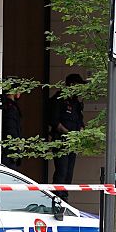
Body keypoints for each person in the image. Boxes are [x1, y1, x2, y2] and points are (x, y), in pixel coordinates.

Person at [50, 73, 86, 201]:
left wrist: (81, 131)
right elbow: (54, 122)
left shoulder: (75, 101)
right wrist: (69, 134)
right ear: (71, 85)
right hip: (60, 142)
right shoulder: (59, 99)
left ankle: (64, 199)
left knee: (69, 173)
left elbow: (80, 121)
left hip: (73, 143)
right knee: (62, 171)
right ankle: (56, 199)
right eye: (78, 86)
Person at [0, 91, 22, 171]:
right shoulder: (10, 108)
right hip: (10, 148)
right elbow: (11, 128)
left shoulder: (6, 105)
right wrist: (17, 144)